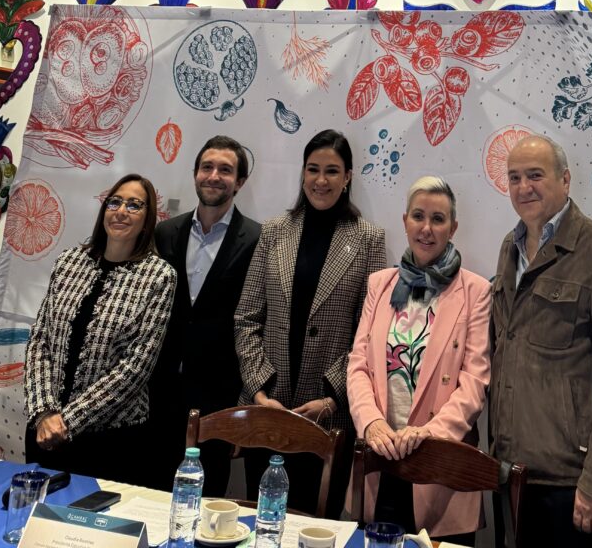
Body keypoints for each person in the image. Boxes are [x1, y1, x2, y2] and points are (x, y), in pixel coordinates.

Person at [489, 135, 592, 548]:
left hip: (571, 487)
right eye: (514, 178)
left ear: (565, 179)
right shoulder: (510, 247)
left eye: (535, 175)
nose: (524, 187)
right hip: (510, 474)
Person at [235, 129, 387, 516]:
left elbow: (368, 334)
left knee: (317, 528)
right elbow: (247, 317)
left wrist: (332, 396)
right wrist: (259, 389)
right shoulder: (274, 231)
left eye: (332, 171)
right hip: (267, 409)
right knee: (261, 522)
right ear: (302, 173)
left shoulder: (369, 239)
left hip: (327, 414)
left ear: (347, 176)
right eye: (313, 169)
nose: (321, 180)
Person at [348, 176, 491, 543]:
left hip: (440, 467)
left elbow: (474, 383)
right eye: (418, 216)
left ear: (453, 228)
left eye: (438, 219)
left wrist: (428, 434)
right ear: (405, 221)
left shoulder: (476, 291)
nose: (426, 228)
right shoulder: (380, 284)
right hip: (380, 460)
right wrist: (371, 423)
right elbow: (359, 364)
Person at [24, 173, 176, 483]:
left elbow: (136, 367)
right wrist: (44, 413)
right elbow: (40, 340)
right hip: (45, 432)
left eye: (134, 205)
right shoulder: (69, 262)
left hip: (109, 441)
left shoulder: (160, 277)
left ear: (148, 220)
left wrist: (67, 421)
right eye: (114, 202)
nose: (121, 211)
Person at [150, 135, 262, 494]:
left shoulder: (258, 240)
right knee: (148, 491)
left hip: (219, 397)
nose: (214, 176)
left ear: (240, 182)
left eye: (225, 170)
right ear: (195, 173)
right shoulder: (165, 233)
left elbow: (256, 321)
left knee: (206, 499)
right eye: (207, 167)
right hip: (159, 392)